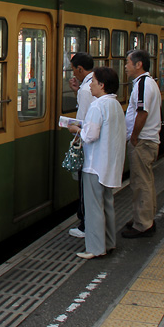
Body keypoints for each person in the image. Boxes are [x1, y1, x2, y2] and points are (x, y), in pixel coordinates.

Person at [67, 67, 125, 259]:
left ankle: (95, 248)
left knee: (93, 208)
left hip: (95, 164)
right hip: (110, 163)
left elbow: (90, 135)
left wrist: (76, 129)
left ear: (102, 85)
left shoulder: (97, 106)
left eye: (93, 82)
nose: (90, 85)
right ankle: (109, 242)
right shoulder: (115, 104)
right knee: (107, 204)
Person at [121, 49, 162, 239]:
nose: (125, 66)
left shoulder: (143, 84)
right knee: (145, 181)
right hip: (146, 139)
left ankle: (143, 224)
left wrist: (134, 136)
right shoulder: (147, 82)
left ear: (139, 64)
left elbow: (142, 112)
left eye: (128, 62)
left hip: (143, 141)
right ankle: (145, 217)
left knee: (140, 183)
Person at [67, 52, 96, 239]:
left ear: (80, 69)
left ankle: (85, 224)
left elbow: (82, 120)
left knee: (84, 185)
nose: (73, 74)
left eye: (74, 70)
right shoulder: (91, 84)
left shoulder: (86, 89)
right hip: (93, 143)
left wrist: (73, 131)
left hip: (87, 143)